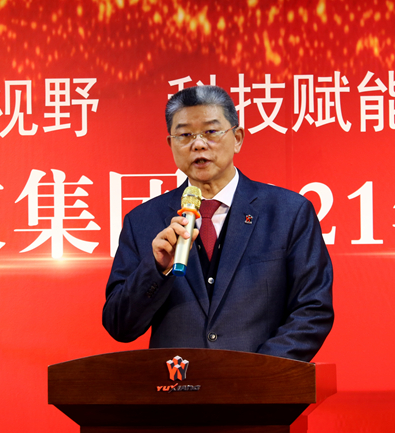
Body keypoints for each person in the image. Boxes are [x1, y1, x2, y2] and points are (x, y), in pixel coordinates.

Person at [102, 85, 333, 362]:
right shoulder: (142, 221)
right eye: (185, 135)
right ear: (171, 145)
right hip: (177, 384)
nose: (198, 144)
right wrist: (156, 269)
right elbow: (119, 325)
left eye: (211, 132)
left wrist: (259, 374)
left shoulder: (288, 213)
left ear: (237, 138)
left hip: (261, 385)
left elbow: (313, 309)